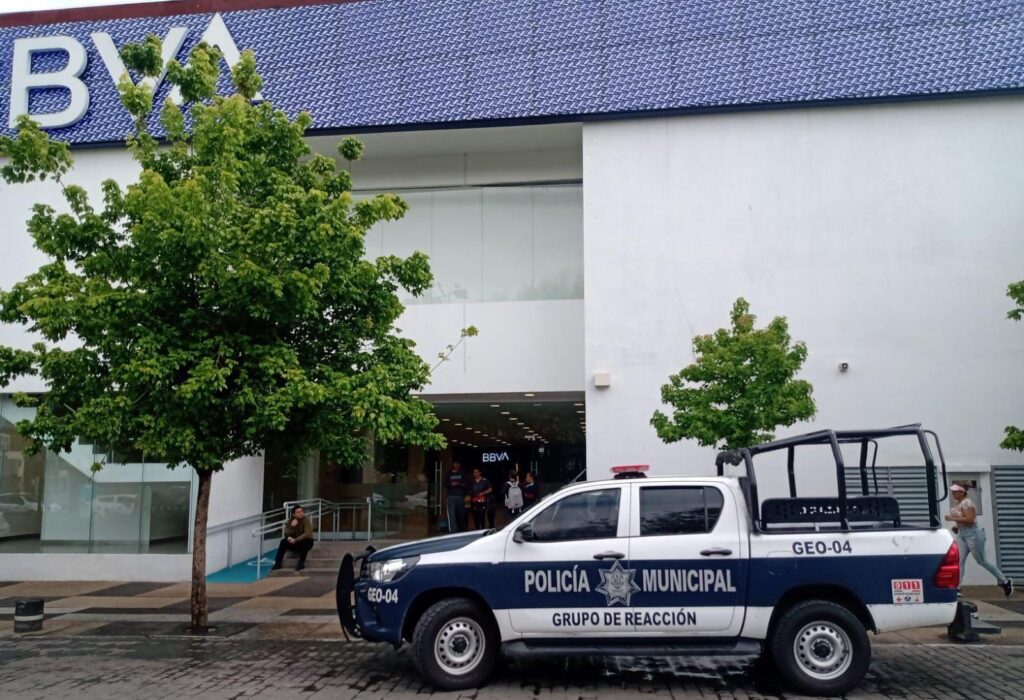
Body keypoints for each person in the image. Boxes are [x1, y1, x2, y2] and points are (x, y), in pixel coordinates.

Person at [945, 481, 1013, 596]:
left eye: (955, 491)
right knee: (958, 560)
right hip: (962, 534)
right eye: (953, 491)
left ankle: (1005, 581)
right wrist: (957, 527)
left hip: (974, 534)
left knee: (982, 560)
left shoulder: (967, 503)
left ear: (962, 492)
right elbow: (964, 520)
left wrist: (952, 518)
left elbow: (970, 519)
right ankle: (957, 587)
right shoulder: (958, 503)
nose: (953, 493)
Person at [272, 505, 314, 571]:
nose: (301, 513)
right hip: (296, 542)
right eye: (298, 512)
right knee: (283, 541)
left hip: (306, 541)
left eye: (302, 511)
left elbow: (307, 533)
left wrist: (296, 539)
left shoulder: (306, 519)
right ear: (294, 514)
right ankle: (278, 563)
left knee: (305, 542)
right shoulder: (290, 521)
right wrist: (292, 526)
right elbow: (286, 534)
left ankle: (301, 563)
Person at [444, 461, 467, 533]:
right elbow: (445, 484)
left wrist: (459, 484)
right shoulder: (448, 474)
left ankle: (462, 529)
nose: (456, 465)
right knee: (451, 513)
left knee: (461, 513)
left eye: (458, 464)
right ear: (453, 465)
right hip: (451, 496)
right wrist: (451, 484)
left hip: (460, 495)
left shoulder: (462, 473)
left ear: (459, 465)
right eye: (455, 464)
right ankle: (453, 530)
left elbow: (466, 484)